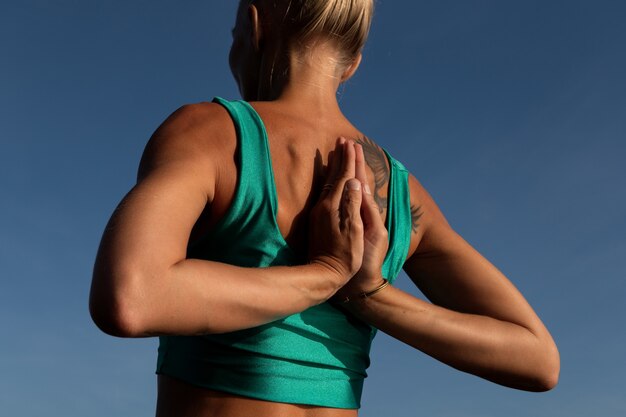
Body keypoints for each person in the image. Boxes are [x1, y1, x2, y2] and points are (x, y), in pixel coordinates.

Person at [89, 1, 560, 416]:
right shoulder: (400, 193)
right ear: (351, 64)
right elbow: (538, 357)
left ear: (254, 26)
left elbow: (131, 298)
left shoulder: (211, 134)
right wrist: (372, 293)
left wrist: (327, 273)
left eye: (233, 36)